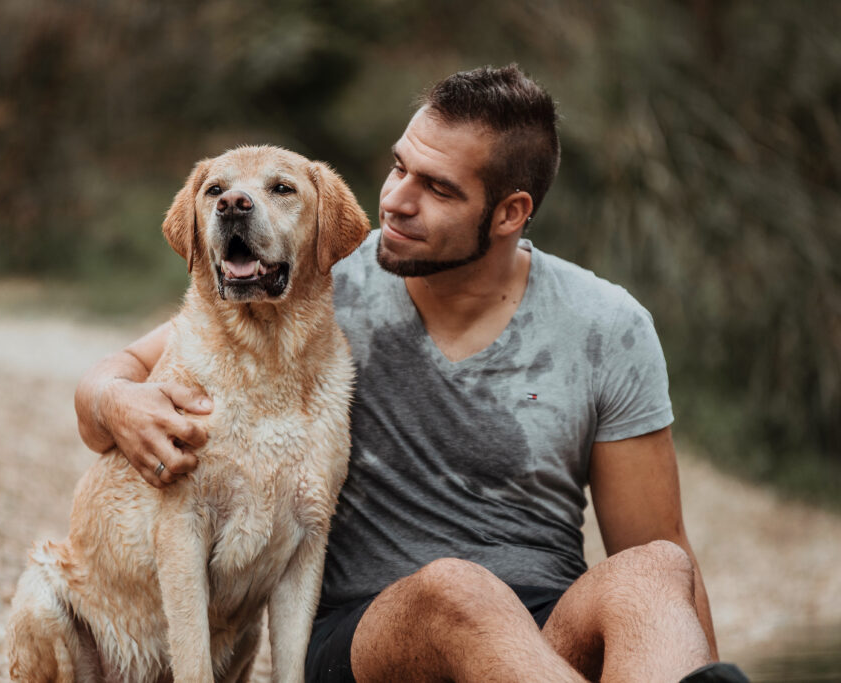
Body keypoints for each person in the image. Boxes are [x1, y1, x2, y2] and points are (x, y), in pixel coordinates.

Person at [74, 65, 748, 682]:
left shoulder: (608, 326)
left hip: (540, 641)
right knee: (459, 588)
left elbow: (663, 547)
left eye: (437, 188)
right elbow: (124, 372)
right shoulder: (320, 277)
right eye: (400, 167)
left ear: (510, 212)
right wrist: (115, 401)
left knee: (657, 569)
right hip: (370, 636)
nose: (396, 200)